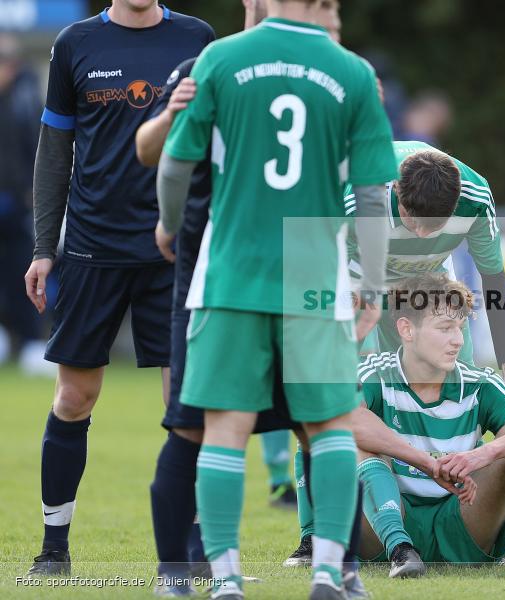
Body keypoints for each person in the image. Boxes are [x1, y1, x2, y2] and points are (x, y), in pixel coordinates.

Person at [155, 0, 396, 597]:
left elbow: (175, 165)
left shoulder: (220, 58)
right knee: (331, 429)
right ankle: (331, 571)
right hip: (313, 276)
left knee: (225, 430)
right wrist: (371, 281)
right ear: (321, 5)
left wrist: (167, 224)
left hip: (230, 272)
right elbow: (371, 196)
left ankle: (227, 579)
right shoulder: (353, 73)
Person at [22, 0, 214, 578]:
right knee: (74, 398)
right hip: (90, 249)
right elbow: (55, 152)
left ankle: (194, 553)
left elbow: (214, 142)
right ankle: (54, 549)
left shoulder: (197, 37)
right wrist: (43, 248)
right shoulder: (74, 43)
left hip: (172, 250)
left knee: (186, 407)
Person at [285, 140, 505, 566]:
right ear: (395, 193)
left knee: (457, 394)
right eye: (415, 222)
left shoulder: (475, 195)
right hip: (354, 277)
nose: (424, 234)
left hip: (427, 286)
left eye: (437, 226)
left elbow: (494, 278)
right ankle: (312, 535)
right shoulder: (354, 193)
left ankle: (464, 518)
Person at [351, 272, 505, 578]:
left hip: (464, 522)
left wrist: (480, 455)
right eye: (445, 328)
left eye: (460, 328)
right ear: (406, 329)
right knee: (358, 442)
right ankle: (400, 551)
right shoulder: (375, 374)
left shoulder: (479, 382)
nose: (458, 340)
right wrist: (427, 464)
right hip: (383, 532)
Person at [0, 34, 53, 377]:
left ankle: (32, 341)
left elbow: (41, 151)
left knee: (26, 272)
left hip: (17, 205)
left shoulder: (28, 98)